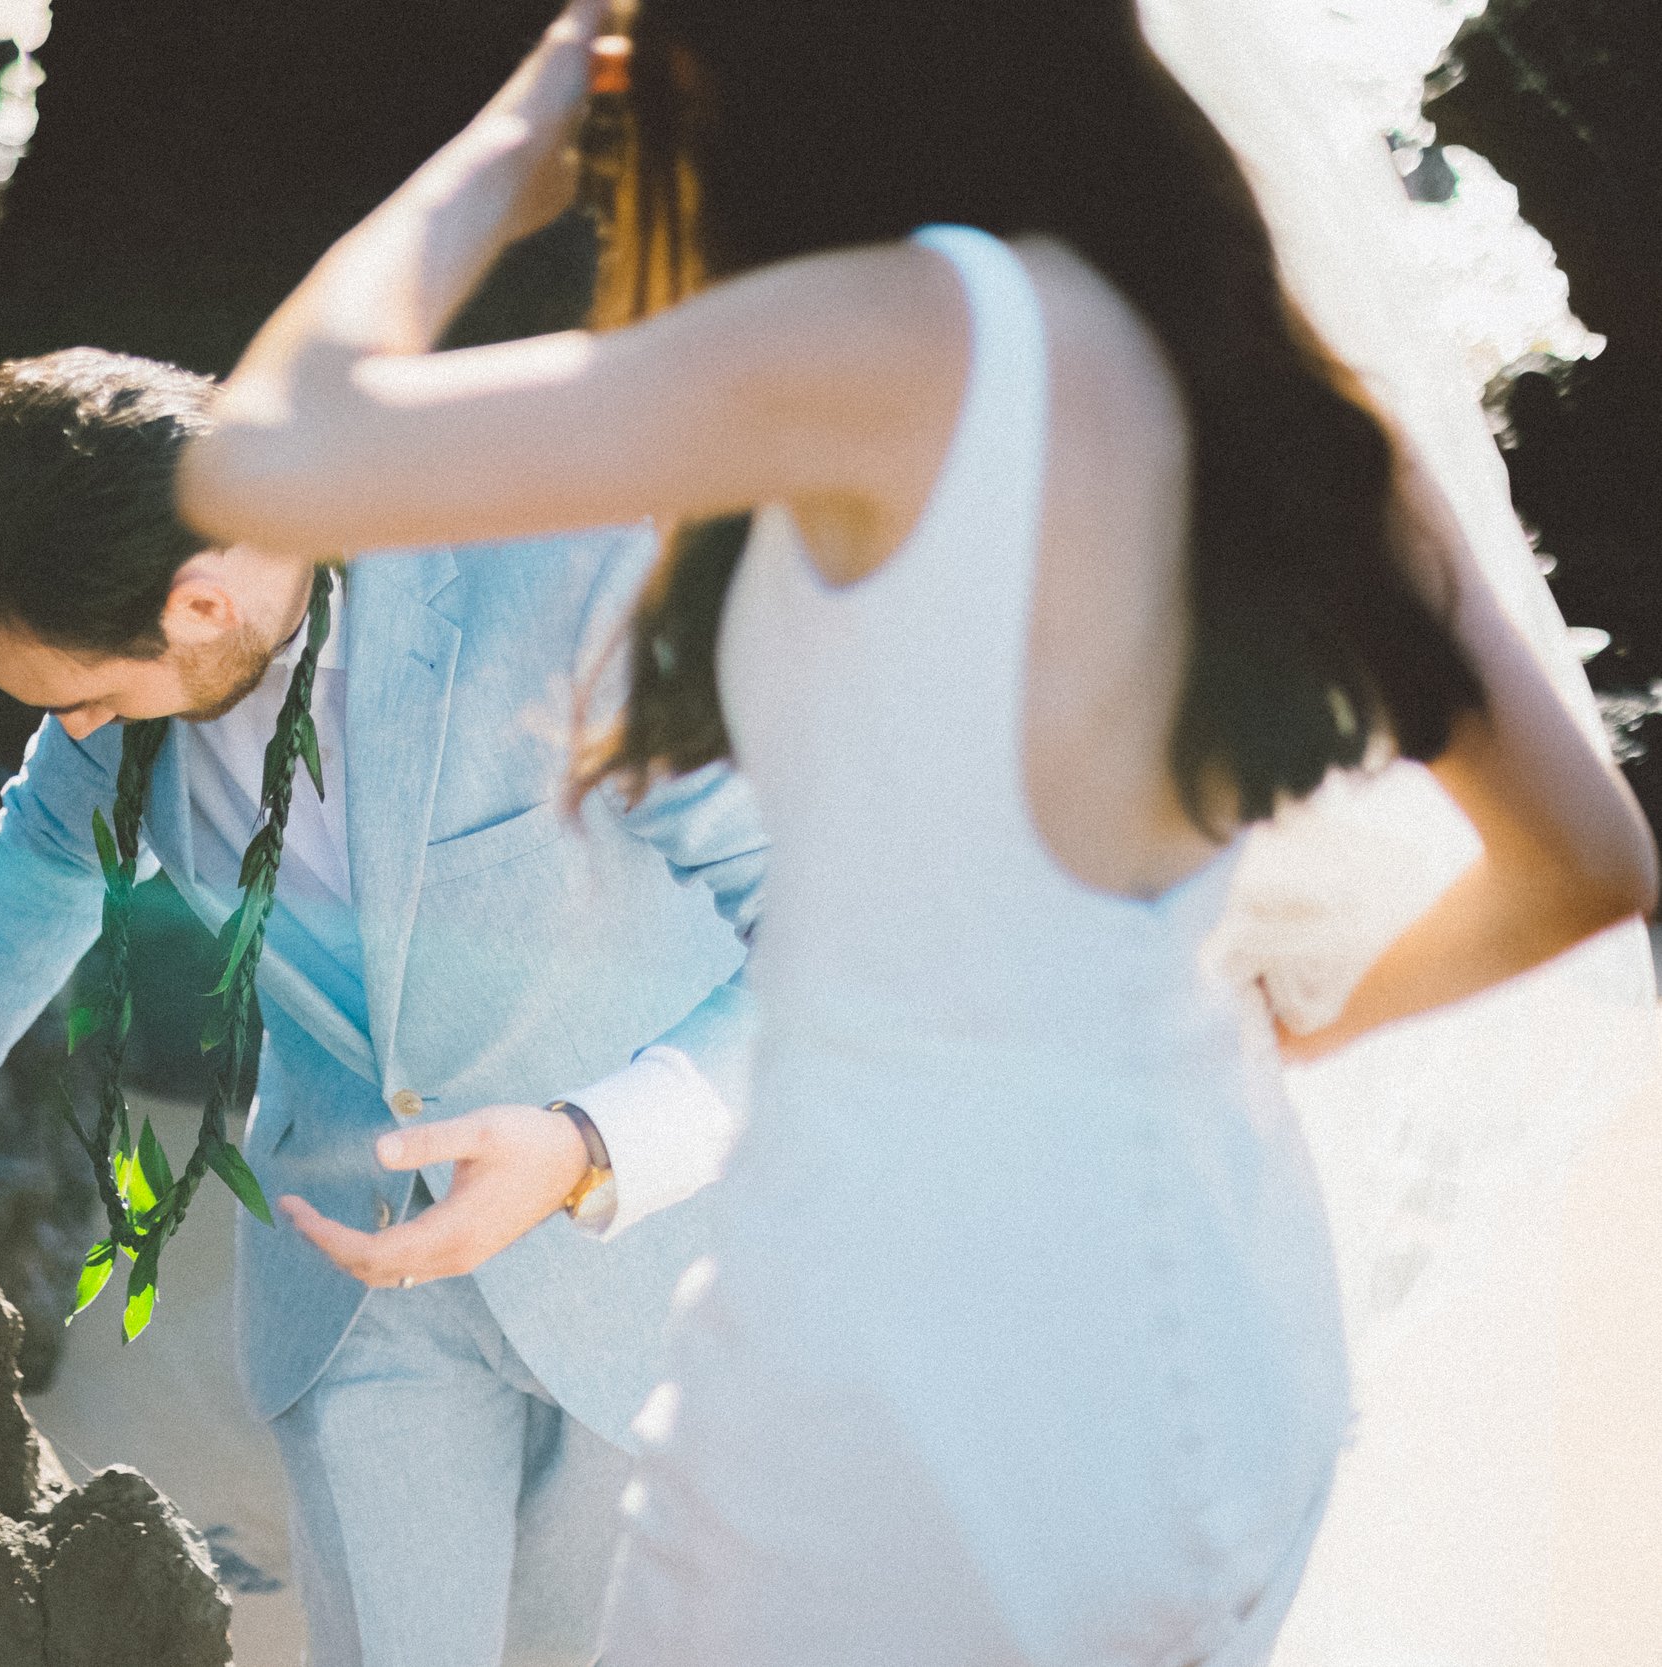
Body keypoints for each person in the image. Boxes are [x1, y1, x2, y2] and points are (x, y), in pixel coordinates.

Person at [174, 3, 1658, 1663]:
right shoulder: (1261, 377)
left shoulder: (911, 334)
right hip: (1223, 1309)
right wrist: (1268, 1026)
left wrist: (515, 142)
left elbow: (266, 460)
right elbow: (1588, 866)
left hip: (922, 1336)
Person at [0, 347, 767, 1667]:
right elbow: (37, 862)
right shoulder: (125, 692)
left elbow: (832, 934)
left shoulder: (575, 583)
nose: (75, 731)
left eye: (83, 694)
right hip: (350, 1274)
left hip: (659, 1273)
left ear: (203, 602)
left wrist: (593, 1144)